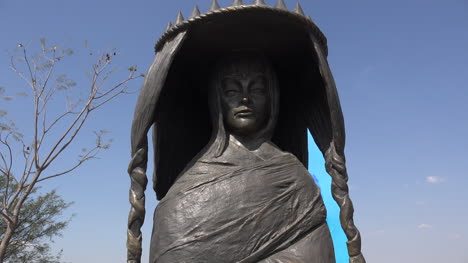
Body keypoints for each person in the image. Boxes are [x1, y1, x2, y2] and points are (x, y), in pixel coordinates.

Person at [127, 2, 365, 262]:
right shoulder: (188, 189)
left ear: (272, 98)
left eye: (257, 89)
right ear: (216, 100)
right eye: (231, 91)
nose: (244, 99)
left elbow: (317, 255)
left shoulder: (294, 179)